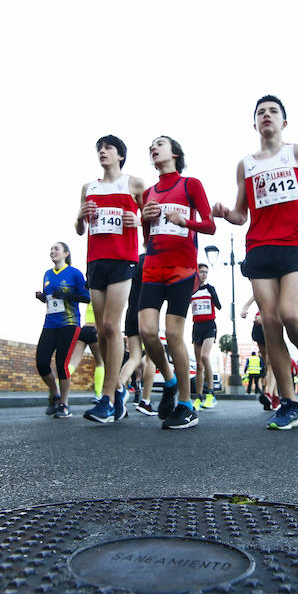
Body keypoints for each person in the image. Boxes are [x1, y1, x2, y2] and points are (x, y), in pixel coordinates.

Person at [213, 94, 298, 430]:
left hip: (295, 242)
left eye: (273, 111)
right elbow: (241, 214)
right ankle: (289, 403)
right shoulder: (246, 165)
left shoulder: (297, 153)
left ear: (284, 122)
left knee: (291, 315)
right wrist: (226, 214)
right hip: (259, 246)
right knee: (270, 322)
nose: (266, 116)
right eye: (260, 113)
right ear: (255, 124)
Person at [139, 135, 216, 429]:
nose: (154, 149)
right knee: (148, 332)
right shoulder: (149, 192)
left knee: (173, 335)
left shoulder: (190, 185)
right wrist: (145, 219)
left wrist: (187, 222)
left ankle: (186, 404)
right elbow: (148, 238)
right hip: (153, 268)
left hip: (182, 270)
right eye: (151, 147)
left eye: (160, 144)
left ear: (175, 152)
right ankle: (170, 381)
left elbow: (209, 225)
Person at [76, 135, 145, 424]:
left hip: (122, 259)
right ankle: (117, 392)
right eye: (99, 149)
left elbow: (152, 216)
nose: (102, 152)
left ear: (120, 155)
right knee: (102, 332)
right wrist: (80, 217)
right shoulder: (88, 188)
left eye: (108, 148)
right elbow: (80, 229)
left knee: (110, 326)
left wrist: (139, 220)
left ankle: (106, 398)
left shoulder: (134, 184)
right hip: (96, 261)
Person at [35, 242, 89, 419]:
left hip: (69, 324)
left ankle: (64, 404)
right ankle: (55, 393)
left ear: (66, 253)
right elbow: (51, 299)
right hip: (50, 324)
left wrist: (66, 295)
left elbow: (86, 297)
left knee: (61, 363)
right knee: (42, 363)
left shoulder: (74, 273)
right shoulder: (48, 274)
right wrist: (43, 298)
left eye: (56, 249)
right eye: (51, 249)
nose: (52, 251)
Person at [118, 253, 157, 415]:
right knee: (150, 358)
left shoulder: (133, 260)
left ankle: (118, 390)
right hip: (148, 312)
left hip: (131, 312)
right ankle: (145, 401)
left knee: (134, 357)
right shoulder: (155, 259)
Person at [190, 263, 222, 409]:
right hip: (197, 328)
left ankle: (211, 394)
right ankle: (198, 397)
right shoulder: (192, 290)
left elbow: (219, 306)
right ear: (196, 273)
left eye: (206, 272)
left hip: (209, 326)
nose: (203, 274)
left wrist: (213, 293)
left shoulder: (210, 289)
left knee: (205, 356)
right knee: (198, 365)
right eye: (201, 272)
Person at [65, 302, 104, 403]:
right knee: (100, 363)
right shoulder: (104, 299)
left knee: (73, 362)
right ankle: (98, 394)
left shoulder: (91, 297)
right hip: (95, 330)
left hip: (84, 329)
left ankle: (58, 385)